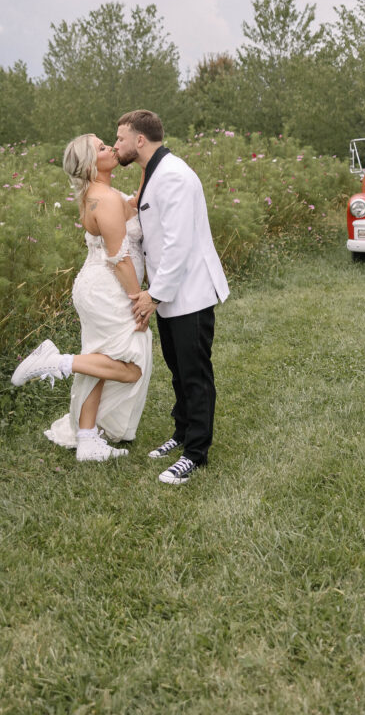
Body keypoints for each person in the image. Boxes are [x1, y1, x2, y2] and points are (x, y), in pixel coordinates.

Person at [10, 134, 152, 463]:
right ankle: (56, 362)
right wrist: (138, 301)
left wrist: (146, 162)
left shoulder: (100, 193)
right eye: (102, 148)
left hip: (96, 286)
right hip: (109, 288)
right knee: (131, 367)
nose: (111, 148)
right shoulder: (102, 198)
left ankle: (87, 440)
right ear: (90, 164)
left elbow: (132, 206)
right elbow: (120, 259)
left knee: (99, 361)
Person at [114, 110, 229, 485]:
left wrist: (153, 296)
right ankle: (181, 434)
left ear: (140, 140)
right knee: (178, 371)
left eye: (120, 139)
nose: (117, 146)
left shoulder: (175, 176)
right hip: (169, 295)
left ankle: (195, 453)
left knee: (195, 374)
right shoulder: (154, 174)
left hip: (190, 293)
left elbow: (179, 244)